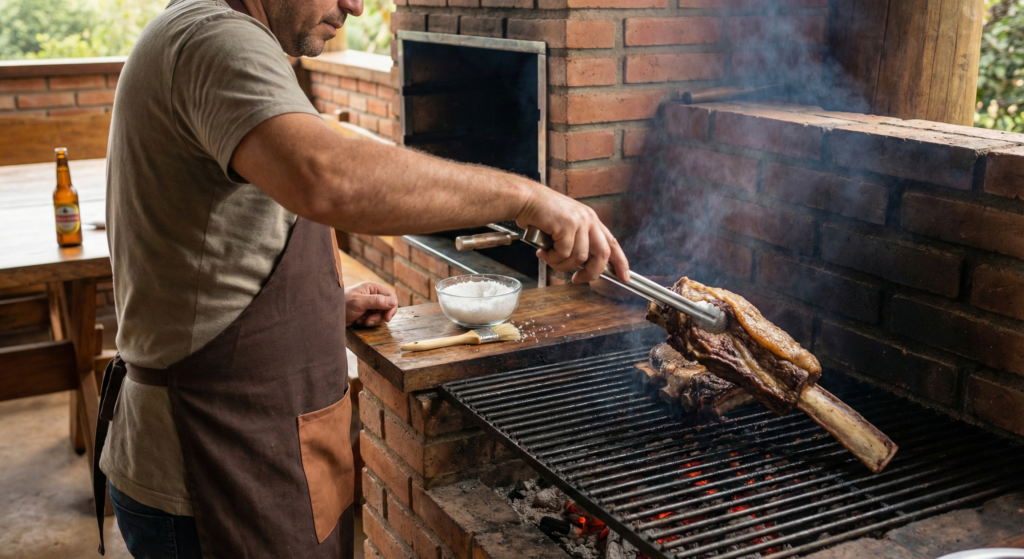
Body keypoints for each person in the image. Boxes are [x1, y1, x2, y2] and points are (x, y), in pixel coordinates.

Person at [94, 0, 630, 555]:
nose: (354, 4)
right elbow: (328, 178)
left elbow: (213, 249)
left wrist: (310, 304)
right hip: (212, 469)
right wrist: (526, 196)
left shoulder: (207, 33)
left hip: (252, 452)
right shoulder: (217, 38)